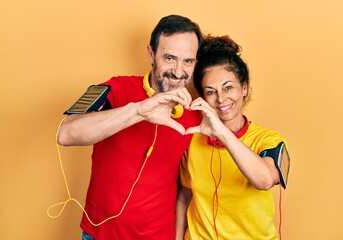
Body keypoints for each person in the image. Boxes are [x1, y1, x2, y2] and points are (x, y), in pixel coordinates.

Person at [57, 15, 203, 240]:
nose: (178, 71)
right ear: (151, 54)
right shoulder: (117, 87)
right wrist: (137, 111)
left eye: (188, 61)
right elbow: (66, 133)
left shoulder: (196, 114)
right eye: (170, 58)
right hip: (99, 235)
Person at [175, 35, 290, 240]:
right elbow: (184, 197)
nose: (221, 99)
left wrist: (222, 133)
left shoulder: (268, 139)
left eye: (228, 87)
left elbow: (264, 180)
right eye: (211, 92)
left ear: (244, 88)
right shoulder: (192, 140)